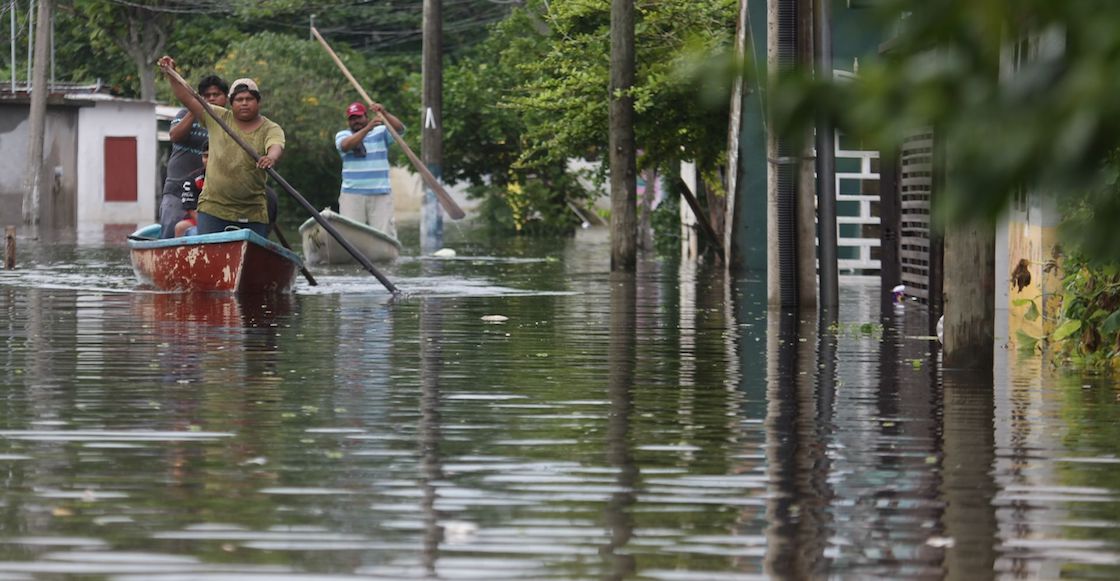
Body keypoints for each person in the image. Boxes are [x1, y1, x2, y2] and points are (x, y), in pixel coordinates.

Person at [158, 56, 284, 238]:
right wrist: (171, 74)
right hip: (214, 208)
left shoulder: (270, 128)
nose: (244, 103)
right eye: (239, 99)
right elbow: (186, 97)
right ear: (231, 103)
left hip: (252, 209)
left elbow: (276, 145)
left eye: (249, 99)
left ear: (258, 102)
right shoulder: (217, 117)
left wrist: (270, 157)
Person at [158, 75, 227, 239]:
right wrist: (193, 109)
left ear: (226, 98)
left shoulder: (228, 123)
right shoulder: (185, 114)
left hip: (211, 193)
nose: (211, 99)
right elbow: (175, 136)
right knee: (171, 228)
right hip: (177, 187)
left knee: (210, 235)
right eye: (206, 96)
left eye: (215, 95)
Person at [336, 101, 405, 239]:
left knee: (384, 235)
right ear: (348, 121)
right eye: (352, 119)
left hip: (380, 193)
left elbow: (399, 130)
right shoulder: (343, 135)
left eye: (359, 117)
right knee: (350, 236)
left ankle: (384, 257)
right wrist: (367, 128)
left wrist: (384, 113)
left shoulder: (381, 132)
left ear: (366, 117)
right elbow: (345, 146)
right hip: (352, 194)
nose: (356, 121)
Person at [174, 140, 207, 237]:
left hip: (224, 218)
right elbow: (191, 209)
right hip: (201, 219)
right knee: (180, 227)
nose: (208, 160)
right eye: (205, 156)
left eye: (211, 156)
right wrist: (207, 225)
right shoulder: (192, 179)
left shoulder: (227, 179)